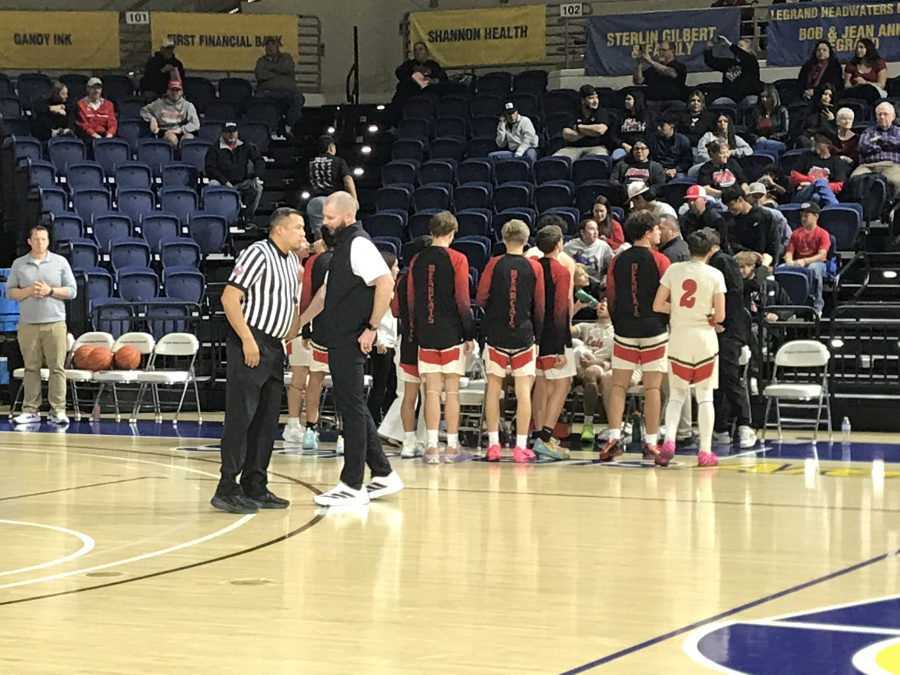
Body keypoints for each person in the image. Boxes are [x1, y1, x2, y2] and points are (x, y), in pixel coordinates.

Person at [298, 192, 403, 505]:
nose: (325, 223)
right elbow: (324, 293)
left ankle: (352, 484)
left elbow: (386, 283)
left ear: (346, 216)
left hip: (353, 337)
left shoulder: (359, 243)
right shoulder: (344, 248)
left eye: (329, 217)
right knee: (352, 405)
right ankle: (384, 474)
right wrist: (299, 323)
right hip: (339, 337)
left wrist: (371, 328)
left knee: (352, 409)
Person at [212, 208, 305, 514]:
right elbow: (229, 298)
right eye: (298, 228)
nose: (303, 234)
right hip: (251, 342)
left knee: (266, 420)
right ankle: (227, 487)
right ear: (278, 230)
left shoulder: (292, 260)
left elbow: (290, 300)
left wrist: (291, 330)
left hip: (275, 346)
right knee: (242, 416)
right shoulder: (257, 253)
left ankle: (256, 484)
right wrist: (248, 340)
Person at [599, 211, 671, 464]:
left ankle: (614, 437)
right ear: (648, 232)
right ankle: (651, 442)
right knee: (652, 387)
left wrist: (620, 323)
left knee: (618, 385)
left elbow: (612, 296)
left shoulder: (616, 261)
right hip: (653, 330)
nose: (660, 233)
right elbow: (667, 297)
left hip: (625, 329)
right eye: (657, 229)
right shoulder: (661, 260)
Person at [653, 230, 726, 467]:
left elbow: (658, 304)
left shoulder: (673, 270)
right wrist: (709, 318)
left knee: (677, 395)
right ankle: (705, 451)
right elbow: (721, 315)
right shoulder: (715, 274)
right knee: (705, 397)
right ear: (709, 251)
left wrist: (680, 311)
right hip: (704, 336)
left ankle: (669, 441)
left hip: (679, 336)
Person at [408, 211, 475, 464]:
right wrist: (469, 333)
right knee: (452, 392)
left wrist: (415, 330)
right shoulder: (458, 259)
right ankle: (452, 447)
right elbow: (462, 299)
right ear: (451, 233)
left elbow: (412, 300)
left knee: (432, 392)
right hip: (451, 332)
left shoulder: (417, 259)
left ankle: (432, 447)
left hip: (426, 331)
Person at [476, 220, 545, 462]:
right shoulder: (534, 267)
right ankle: (520, 447)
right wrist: (537, 336)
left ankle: (493, 445)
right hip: (524, 335)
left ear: (503, 239)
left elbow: (481, 297)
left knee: (494, 389)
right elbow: (540, 306)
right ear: (527, 241)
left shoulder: (493, 264)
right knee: (523, 390)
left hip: (496, 334)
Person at [5, 225, 76, 426]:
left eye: (43, 239)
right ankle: (30, 409)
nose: (40, 243)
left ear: (48, 241)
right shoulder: (19, 264)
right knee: (31, 368)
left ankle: (58, 409)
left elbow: (72, 291)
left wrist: (49, 290)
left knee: (57, 368)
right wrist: (27, 290)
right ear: (29, 241)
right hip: (28, 323)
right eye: (36, 239)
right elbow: (9, 292)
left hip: (55, 322)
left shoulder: (59, 262)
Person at [705, 228, 755, 449]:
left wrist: (720, 321)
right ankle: (721, 427)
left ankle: (746, 425)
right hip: (721, 329)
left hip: (729, 330)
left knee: (731, 377)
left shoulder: (722, 261)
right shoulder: (717, 261)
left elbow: (732, 293)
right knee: (720, 381)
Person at [384, 235, 432, 458]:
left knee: (406, 393)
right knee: (428, 393)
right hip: (431, 340)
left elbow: (395, 310)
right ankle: (424, 439)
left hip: (407, 339)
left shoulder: (403, 279)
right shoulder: (434, 277)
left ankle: (408, 439)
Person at [531, 225, 576, 461]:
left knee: (540, 383)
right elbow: (560, 310)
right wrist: (561, 347)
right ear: (559, 244)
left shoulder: (532, 266)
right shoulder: (561, 271)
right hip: (553, 335)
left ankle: (540, 433)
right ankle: (546, 437)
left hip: (533, 335)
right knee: (561, 383)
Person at [296, 229, 335, 451]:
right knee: (346, 383)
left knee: (315, 380)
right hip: (345, 330)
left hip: (320, 327)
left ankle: (310, 429)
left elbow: (307, 294)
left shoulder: (316, 261)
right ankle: (348, 432)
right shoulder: (348, 259)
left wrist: (306, 328)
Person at [282, 230, 312, 446]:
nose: (308, 243)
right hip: (298, 328)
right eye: (302, 240)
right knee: (299, 378)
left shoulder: (301, 267)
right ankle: (293, 424)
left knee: (309, 379)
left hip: (307, 326)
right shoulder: (295, 268)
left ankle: (301, 423)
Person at [204, 122, 264, 220]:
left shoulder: (245, 145)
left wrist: (256, 175)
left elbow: (259, 160)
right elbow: (210, 168)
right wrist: (225, 182)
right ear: (222, 133)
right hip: (222, 183)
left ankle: (247, 217)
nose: (231, 134)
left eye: (234, 131)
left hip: (242, 181)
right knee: (212, 185)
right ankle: (218, 218)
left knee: (258, 188)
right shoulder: (214, 149)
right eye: (228, 131)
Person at [780, 201, 830, 314]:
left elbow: (822, 256)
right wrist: (788, 260)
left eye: (806, 215)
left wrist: (804, 260)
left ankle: (817, 306)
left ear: (815, 216)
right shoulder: (796, 233)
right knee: (781, 268)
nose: (803, 218)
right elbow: (789, 252)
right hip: (798, 262)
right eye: (802, 215)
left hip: (816, 262)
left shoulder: (823, 233)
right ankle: (786, 304)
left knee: (814, 269)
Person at [367, 251, 400, 425]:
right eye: (395, 266)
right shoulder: (380, 287)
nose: (397, 269)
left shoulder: (392, 286)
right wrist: (378, 340)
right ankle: (372, 420)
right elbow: (376, 315)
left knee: (392, 384)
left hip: (391, 341)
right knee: (380, 384)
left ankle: (387, 420)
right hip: (382, 342)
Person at [305, 135, 357, 234]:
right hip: (333, 201)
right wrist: (354, 200)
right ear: (331, 147)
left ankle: (320, 250)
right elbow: (348, 180)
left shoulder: (310, 162)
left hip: (314, 201)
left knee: (318, 234)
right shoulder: (338, 161)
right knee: (337, 233)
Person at [254, 37, 306, 134]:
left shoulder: (286, 57)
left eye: (272, 44)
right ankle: (270, 128)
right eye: (267, 45)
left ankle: (288, 125)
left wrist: (270, 69)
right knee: (259, 99)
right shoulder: (261, 61)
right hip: (269, 93)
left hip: (288, 93)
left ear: (278, 46)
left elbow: (288, 68)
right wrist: (279, 73)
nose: (270, 47)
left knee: (299, 98)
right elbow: (260, 74)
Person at [722, 186, 781, 267]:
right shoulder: (729, 220)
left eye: (731, 205)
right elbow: (732, 242)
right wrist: (751, 254)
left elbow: (774, 241)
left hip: (764, 262)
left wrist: (771, 263)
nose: (730, 209)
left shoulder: (765, 216)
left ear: (739, 199)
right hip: (741, 263)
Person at [789, 129, 849, 207]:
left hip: (822, 195)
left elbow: (839, 186)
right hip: (804, 193)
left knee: (816, 197)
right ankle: (835, 207)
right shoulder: (806, 156)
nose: (813, 142)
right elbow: (793, 176)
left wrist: (820, 186)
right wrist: (815, 182)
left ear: (827, 144)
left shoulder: (836, 161)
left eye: (817, 140)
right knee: (819, 184)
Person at [852, 101, 900, 198]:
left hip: (891, 165)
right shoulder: (869, 131)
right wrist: (883, 146)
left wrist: (879, 141)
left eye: (885, 114)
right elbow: (863, 147)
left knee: (898, 181)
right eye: (879, 114)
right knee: (854, 179)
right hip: (868, 166)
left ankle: (892, 210)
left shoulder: (898, 131)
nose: (882, 117)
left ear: (893, 116)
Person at [554, 84, 612, 159]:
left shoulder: (601, 112)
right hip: (573, 147)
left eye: (596, 98)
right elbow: (566, 134)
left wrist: (578, 128)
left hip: (596, 146)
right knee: (556, 160)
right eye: (591, 98)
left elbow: (599, 130)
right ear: (583, 100)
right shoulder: (574, 113)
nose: (595, 101)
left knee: (597, 161)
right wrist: (590, 131)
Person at [139, 77, 199, 148]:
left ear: (182, 91)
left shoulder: (188, 105)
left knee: (189, 138)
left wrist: (180, 130)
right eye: (172, 90)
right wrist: (152, 119)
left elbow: (195, 124)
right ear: (168, 91)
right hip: (165, 132)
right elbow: (143, 111)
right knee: (172, 138)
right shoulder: (158, 104)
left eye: (178, 90)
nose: (175, 92)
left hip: (181, 131)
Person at [391, 41, 447, 115]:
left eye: (420, 49)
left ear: (426, 52)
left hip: (428, 91)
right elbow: (400, 73)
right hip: (411, 91)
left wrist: (433, 81)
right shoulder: (409, 64)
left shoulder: (433, 65)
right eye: (415, 50)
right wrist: (411, 77)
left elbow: (443, 77)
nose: (418, 52)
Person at [703, 36, 760, 106]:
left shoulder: (751, 62)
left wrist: (729, 44)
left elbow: (744, 56)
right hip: (730, 97)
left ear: (750, 50)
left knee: (752, 101)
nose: (738, 47)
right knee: (717, 103)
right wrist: (709, 46)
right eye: (738, 45)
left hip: (747, 96)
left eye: (741, 46)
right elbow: (711, 62)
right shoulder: (729, 63)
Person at [563, 218, 613, 296]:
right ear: (582, 232)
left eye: (596, 229)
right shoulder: (569, 246)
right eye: (591, 229)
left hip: (596, 284)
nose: (596, 232)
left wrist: (606, 277)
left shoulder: (603, 246)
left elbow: (613, 264)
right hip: (576, 285)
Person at [746, 183, 792, 251]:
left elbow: (788, 237)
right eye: (755, 196)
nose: (758, 200)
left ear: (766, 196)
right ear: (747, 197)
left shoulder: (775, 215)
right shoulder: (743, 214)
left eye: (761, 196)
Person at [842, 38, 887, 103]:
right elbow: (847, 84)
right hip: (856, 93)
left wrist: (865, 83)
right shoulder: (851, 65)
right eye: (857, 48)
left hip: (875, 92)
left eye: (861, 47)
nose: (858, 50)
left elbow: (881, 85)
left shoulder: (879, 64)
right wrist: (856, 86)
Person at [650, 113, 693, 179]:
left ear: (671, 126)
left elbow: (687, 161)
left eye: (662, 126)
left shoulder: (683, 140)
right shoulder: (653, 139)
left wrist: (675, 170)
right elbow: (651, 158)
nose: (658, 128)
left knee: (680, 178)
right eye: (657, 125)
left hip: (677, 171)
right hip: (658, 170)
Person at [748, 85, 790, 152]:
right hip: (759, 141)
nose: (764, 99)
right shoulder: (756, 112)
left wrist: (770, 138)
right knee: (760, 144)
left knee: (762, 145)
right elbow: (750, 131)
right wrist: (757, 138)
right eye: (762, 97)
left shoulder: (782, 111)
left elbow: (785, 132)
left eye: (767, 97)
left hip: (777, 141)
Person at [74, 77, 117, 142]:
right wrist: (93, 134)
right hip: (87, 136)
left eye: (98, 88)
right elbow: (83, 124)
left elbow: (112, 122)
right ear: (88, 89)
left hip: (105, 136)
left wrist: (109, 134)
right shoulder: (81, 104)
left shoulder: (109, 104)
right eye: (93, 88)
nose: (96, 91)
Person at [797, 83, 838, 149]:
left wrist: (832, 121)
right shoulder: (809, 111)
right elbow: (804, 129)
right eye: (825, 94)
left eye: (830, 96)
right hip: (811, 139)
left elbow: (835, 134)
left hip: (828, 141)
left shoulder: (835, 112)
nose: (827, 97)